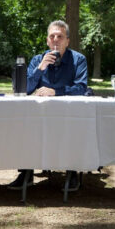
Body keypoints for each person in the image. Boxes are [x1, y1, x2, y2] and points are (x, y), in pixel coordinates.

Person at [7, 20, 88, 192]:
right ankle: (27, 172)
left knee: (74, 127)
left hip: (69, 115)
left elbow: (81, 88)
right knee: (23, 125)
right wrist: (41, 68)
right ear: (47, 40)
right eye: (52, 36)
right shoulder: (38, 59)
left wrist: (55, 91)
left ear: (67, 40)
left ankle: (72, 171)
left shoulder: (78, 60)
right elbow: (24, 89)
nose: (56, 40)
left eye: (60, 36)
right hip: (40, 116)